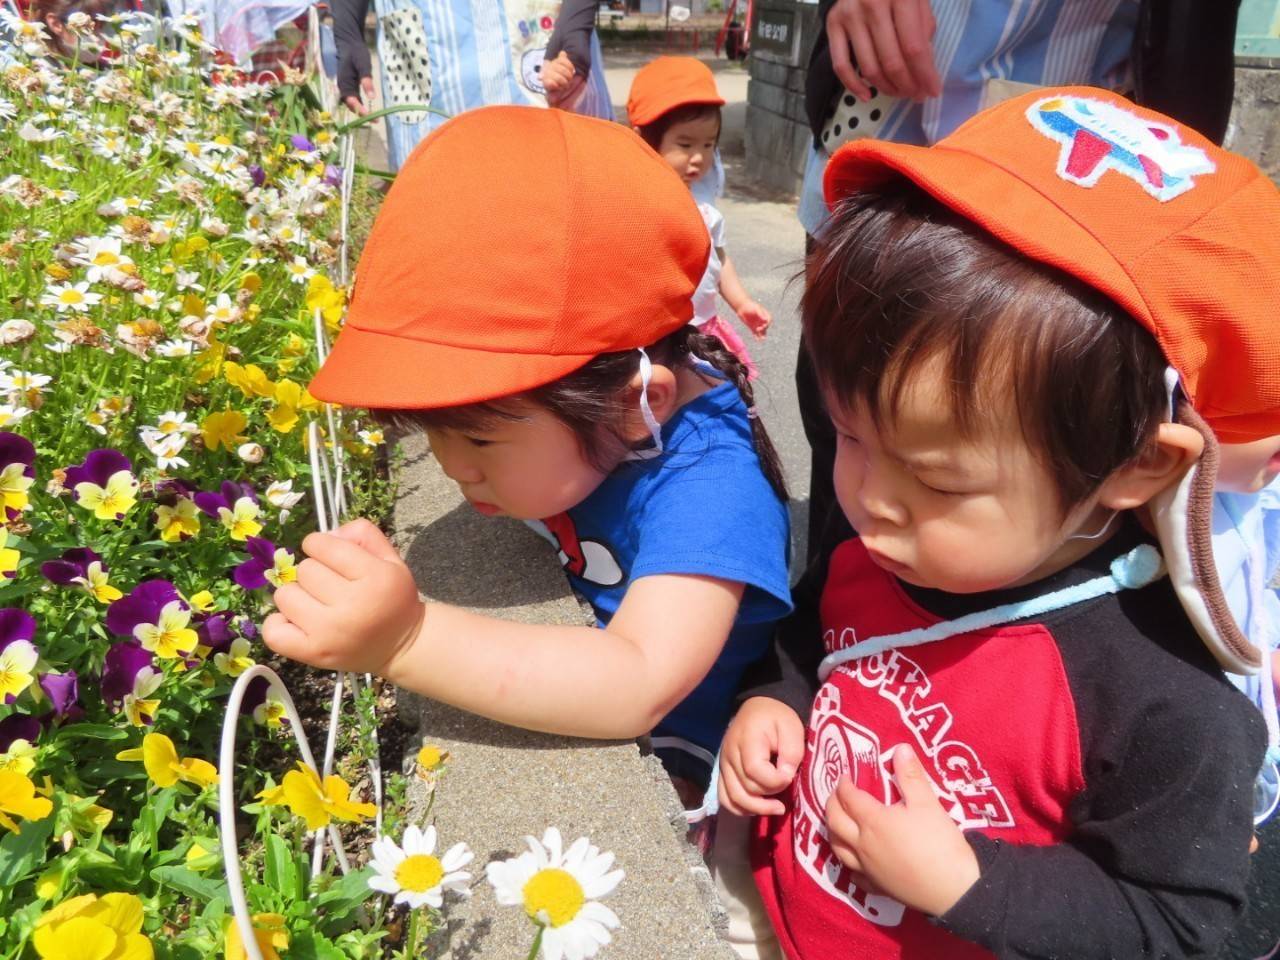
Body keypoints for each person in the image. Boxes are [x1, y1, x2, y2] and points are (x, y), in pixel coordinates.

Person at [719, 88, 1278, 958]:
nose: (872, 500)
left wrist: (972, 882)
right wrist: (776, 700)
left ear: (1135, 466)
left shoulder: (1167, 702)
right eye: (850, 435)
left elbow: (1181, 924)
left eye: (939, 482)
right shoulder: (886, 549)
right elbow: (812, 636)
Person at [261, 106, 792, 800]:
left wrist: (406, 640)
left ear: (641, 405)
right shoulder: (593, 428)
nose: (453, 466)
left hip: (692, 767)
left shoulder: (710, 492)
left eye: (478, 436)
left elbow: (637, 680)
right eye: (433, 435)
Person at [330, 0, 612, 170]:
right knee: (445, 226)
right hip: (431, 51)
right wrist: (347, 30)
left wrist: (578, 16)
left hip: (544, 39)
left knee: (562, 212)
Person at [627, 57, 770, 380]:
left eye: (709, 144)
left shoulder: (705, 209)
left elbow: (719, 257)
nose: (699, 157)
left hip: (704, 326)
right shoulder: (638, 207)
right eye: (685, 144)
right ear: (643, 139)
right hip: (659, 336)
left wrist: (741, 302)